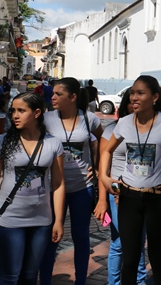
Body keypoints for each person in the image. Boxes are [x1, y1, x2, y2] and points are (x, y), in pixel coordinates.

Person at [100, 75, 161, 285]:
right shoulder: (124, 123)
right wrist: (105, 177)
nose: (134, 97)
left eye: (140, 93)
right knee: (130, 259)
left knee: (158, 258)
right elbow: (106, 151)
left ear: (154, 97)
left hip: (157, 199)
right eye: (132, 93)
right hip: (128, 198)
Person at [0, 92, 65, 285]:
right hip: (9, 220)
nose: (15, 115)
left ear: (37, 113)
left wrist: (58, 220)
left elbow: (58, 184)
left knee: (30, 276)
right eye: (13, 111)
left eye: (21, 111)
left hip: (41, 221)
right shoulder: (2, 142)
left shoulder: (53, 143)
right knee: (9, 276)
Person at [39, 77, 104, 285]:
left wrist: (98, 166)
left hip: (82, 187)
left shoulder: (89, 119)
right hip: (53, 187)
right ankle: (45, 280)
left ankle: (80, 280)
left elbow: (102, 141)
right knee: (50, 237)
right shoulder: (46, 119)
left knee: (81, 237)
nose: (53, 97)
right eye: (53, 93)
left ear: (73, 97)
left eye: (58, 94)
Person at [100, 88, 148, 285]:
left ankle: (139, 281)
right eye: (129, 101)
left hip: (143, 192)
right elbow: (103, 168)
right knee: (121, 242)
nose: (133, 104)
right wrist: (102, 200)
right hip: (118, 191)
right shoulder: (112, 129)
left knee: (137, 241)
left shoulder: (149, 128)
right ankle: (115, 282)